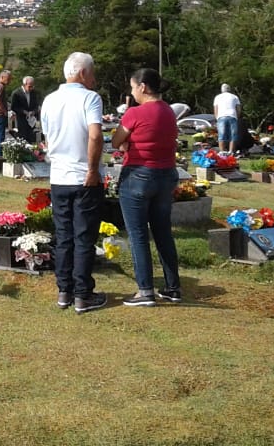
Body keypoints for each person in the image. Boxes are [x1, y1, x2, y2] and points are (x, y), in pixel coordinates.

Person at [40, 53, 107, 314]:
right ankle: (83, 293)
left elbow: (47, 137)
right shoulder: (90, 98)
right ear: (82, 73)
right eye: (92, 73)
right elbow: (95, 135)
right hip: (83, 175)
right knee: (83, 237)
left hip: (59, 176)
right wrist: (92, 169)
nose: (94, 78)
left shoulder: (49, 100)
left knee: (63, 236)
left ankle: (64, 290)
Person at [110, 68, 182, 307]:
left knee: (138, 234)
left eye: (132, 87)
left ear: (142, 87)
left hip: (138, 175)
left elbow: (116, 140)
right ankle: (172, 287)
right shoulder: (169, 112)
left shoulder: (135, 113)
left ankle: (145, 290)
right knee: (163, 232)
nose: (131, 92)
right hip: (166, 174)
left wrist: (127, 142)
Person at [213, 83, 241, 154]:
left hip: (221, 116)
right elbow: (238, 108)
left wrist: (217, 118)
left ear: (222, 90)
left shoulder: (217, 97)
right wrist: (237, 117)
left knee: (221, 135)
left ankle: (222, 152)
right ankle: (231, 151)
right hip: (232, 116)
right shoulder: (235, 97)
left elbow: (216, 108)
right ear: (229, 89)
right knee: (233, 135)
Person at [10, 76, 39, 141]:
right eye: (29, 86)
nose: (31, 88)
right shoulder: (16, 93)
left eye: (32, 86)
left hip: (31, 120)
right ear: (24, 84)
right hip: (21, 119)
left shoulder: (33, 93)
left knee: (31, 137)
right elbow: (14, 107)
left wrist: (33, 112)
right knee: (22, 137)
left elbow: (36, 105)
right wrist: (23, 111)